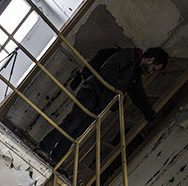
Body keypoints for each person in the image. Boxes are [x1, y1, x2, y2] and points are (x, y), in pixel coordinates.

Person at [37, 47, 169, 163]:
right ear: (151, 60)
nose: (151, 72)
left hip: (100, 101)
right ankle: (44, 147)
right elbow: (108, 70)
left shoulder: (135, 73)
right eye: (154, 69)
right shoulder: (129, 55)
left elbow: (138, 94)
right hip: (92, 91)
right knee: (73, 122)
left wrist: (149, 112)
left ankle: (55, 158)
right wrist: (119, 91)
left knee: (79, 130)